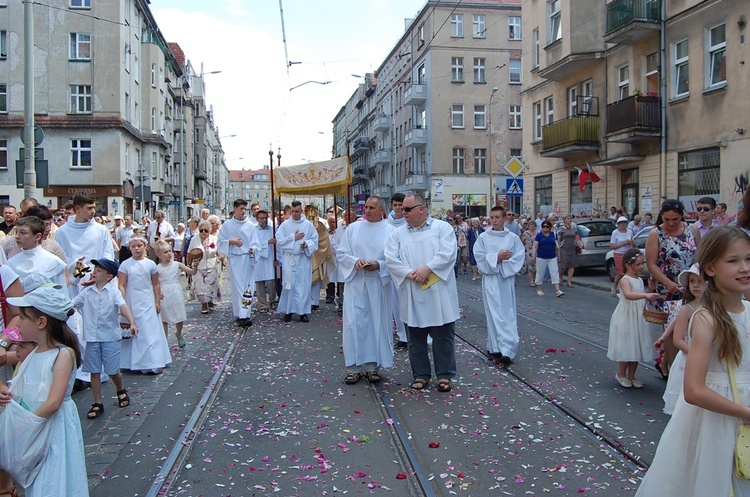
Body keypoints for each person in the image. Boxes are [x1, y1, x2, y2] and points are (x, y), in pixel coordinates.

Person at [634, 226, 750, 496]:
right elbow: (694, 390)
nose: (744, 267)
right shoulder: (707, 318)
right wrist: (745, 412)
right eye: (733, 261)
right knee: (714, 481)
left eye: (748, 259)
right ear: (710, 268)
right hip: (717, 421)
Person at [5, 284, 88, 496]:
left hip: (52, 430)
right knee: (40, 482)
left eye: (23, 318)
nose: (18, 322)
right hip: (37, 428)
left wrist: (24, 426)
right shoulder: (33, 354)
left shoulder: (63, 354)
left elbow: (53, 402)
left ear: (41, 322)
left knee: (54, 478)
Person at [385, 194, 459, 393]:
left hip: (438, 290)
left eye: (408, 209)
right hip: (412, 289)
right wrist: (409, 274)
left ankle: (444, 375)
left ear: (421, 209)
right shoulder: (397, 234)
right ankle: (421, 374)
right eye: (402, 210)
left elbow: (448, 253)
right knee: (415, 337)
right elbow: (391, 258)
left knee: (443, 336)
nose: (403, 213)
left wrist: (428, 269)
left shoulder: (441, 228)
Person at [71, 258, 138, 420]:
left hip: (110, 337)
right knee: (94, 371)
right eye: (95, 269)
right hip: (92, 338)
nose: (94, 272)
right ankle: (97, 402)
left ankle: (120, 389)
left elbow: (122, 306)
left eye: (99, 270)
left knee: (112, 370)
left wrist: (131, 322)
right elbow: (73, 304)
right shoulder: (86, 292)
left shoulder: (113, 292)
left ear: (109, 276)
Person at [337, 197, 394, 384]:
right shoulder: (353, 228)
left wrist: (380, 265)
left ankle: (372, 366)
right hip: (356, 282)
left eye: (372, 208)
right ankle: (353, 367)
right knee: (354, 324)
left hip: (378, 284)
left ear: (382, 211)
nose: (367, 211)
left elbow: (396, 259)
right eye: (366, 207)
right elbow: (342, 253)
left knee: (376, 324)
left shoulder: (391, 231)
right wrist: (355, 262)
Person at [645, 199, 698, 375]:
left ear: (681, 216)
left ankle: (666, 363)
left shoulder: (692, 229)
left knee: (692, 326)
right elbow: (651, 264)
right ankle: (675, 372)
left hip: (691, 285)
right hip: (668, 288)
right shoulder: (656, 233)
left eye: (674, 219)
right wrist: (667, 282)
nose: (670, 223)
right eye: (666, 219)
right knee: (672, 329)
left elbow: (699, 257)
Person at [474, 206, 525, 366]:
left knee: (506, 312)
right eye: (492, 217)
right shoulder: (484, 237)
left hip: (505, 279)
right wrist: (497, 257)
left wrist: (503, 261)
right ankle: (495, 346)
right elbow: (479, 256)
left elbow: (519, 256)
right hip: (490, 278)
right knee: (493, 312)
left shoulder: (512, 238)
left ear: (504, 218)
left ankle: (508, 348)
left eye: (497, 217)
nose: (494, 221)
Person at [607, 248, 659, 388]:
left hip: (638, 316)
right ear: (628, 265)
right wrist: (645, 295)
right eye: (638, 264)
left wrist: (650, 290)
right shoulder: (625, 280)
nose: (642, 267)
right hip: (627, 316)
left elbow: (642, 296)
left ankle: (632, 376)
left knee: (637, 344)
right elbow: (629, 295)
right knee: (627, 344)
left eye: (643, 264)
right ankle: (621, 374)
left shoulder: (640, 280)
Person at [655, 263, 704, 415]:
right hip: (690, 357)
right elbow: (678, 339)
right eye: (692, 281)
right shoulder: (686, 309)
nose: (696, 286)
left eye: (700, 281)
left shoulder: (714, 307)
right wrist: (696, 354)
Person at [118, 236, 170, 375]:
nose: (137, 248)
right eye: (134, 246)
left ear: (145, 247)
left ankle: (151, 361)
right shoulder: (125, 265)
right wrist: (121, 301)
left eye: (139, 245)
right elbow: (121, 284)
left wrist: (157, 301)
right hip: (131, 299)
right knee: (133, 327)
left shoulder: (150, 264)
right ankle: (129, 361)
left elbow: (156, 283)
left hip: (147, 299)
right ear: (129, 248)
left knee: (148, 329)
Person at [217, 199, 260, 328]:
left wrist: (253, 249)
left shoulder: (251, 225)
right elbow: (220, 242)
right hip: (235, 259)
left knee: (247, 287)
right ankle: (240, 314)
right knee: (238, 288)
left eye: (244, 209)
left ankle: (245, 314)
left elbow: (256, 242)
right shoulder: (227, 226)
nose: (243, 211)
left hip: (247, 258)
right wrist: (230, 241)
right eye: (241, 208)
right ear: (235, 208)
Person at [276, 201, 318, 323]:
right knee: (289, 285)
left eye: (297, 211)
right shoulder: (285, 225)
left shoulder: (308, 225)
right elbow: (279, 240)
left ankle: (302, 312)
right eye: (292, 211)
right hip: (290, 258)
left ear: (301, 211)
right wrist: (292, 238)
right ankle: (288, 311)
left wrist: (307, 244)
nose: (294, 214)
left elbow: (314, 240)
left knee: (303, 285)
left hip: (303, 258)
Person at [155, 241, 198, 349]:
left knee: (179, 315)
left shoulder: (176, 264)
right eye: (165, 252)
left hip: (175, 291)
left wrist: (195, 267)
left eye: (170, 251)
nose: (169, 254)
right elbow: (155, 283)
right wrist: (157, 294)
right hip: (164, 292)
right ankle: (164, 342)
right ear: (159, 255)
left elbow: (192, 272)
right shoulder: (157, 268)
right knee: (164, 318)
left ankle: (178, 333)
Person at [7, 216, 67, 289]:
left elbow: (62, 294)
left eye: (23, 233)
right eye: (16, 232)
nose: (17, 236)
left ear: (38, 236)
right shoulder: (11, 262)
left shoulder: (53, 262)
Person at [188, 220, 220, 314]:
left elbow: (218, 251)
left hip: (211, 265)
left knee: (210, 285)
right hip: (198, 265)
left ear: (209, 231)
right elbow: (189, 252)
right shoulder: (194, 239)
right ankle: (204, 304)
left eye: (205, 230)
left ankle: (209, 301)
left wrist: (222, 258)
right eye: (201, 230)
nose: (203, 232)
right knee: (199, 286)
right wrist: (188, 265)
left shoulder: (214, 239)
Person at [305, 205, 332, 311]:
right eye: (308, 211)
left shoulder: (320, 225)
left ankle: (314, 301)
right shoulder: (303, 225)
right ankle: (305, 301)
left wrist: (315, 246)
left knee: (315, 280)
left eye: (312, 211)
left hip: (317, 254)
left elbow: (324, 238)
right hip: (303, 255)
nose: (310, 214)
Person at [532, 220, 564, 297]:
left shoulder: (553, 234)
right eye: (544, 226)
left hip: (552, 256)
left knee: (555, 272)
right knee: (540, 272)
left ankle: (557, 290)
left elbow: (557, 246)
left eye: (547, 226)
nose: (545, 228)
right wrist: (533, 255)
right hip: (541, 256)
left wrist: (559, 256)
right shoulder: (539, 235)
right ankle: (539, 289)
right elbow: (535, 246)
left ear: (550, 227)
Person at [253, 210, 277, 312]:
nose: (263, 220)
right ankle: (262, 304)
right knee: (259, 282)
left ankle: (273, 300)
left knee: (271, 281)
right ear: (257, 219)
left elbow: (277, 245)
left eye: (265, 218)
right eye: (261, 218)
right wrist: (267, 242)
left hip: (270, 257)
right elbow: (254, 244)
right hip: (258, 259)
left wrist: (277, 258)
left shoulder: (272, 230)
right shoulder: (253, 230)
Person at [610, 216, 635, 296]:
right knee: (620, 272)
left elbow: (632, 242)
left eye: (624, 223)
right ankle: (614, 286)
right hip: (619, 253)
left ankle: (625, 288)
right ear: (618, 224)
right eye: (621, 223)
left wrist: (632, 243)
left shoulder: (630, 232)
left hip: (628, 253)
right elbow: (612, 246)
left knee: (629, 271)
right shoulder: (615, 232)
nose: (623, 224)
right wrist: (624, 243)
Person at [556, 214, 581, 288]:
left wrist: (580, 246)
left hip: (572, 248)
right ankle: (560, 277)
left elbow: (576, 239)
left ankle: (569, 281)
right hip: (564, 248)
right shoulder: (561, 229)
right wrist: (558, 249)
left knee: (572, 265)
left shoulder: (574, 229)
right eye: (568, 218)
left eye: (570, 218)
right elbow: (558, 240)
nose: (569, 220)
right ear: (565, 220)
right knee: (563, 265)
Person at [521, 218, 538, 287]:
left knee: (536, 267)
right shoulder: (525, 233)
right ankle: (531, 280)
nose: (531, 226)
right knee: (530, 267)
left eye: (533, 224)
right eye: (530, 224)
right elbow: (522, 243)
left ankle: (535, 279)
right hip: (528, 252)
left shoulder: (538, 232)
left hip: (537, 251)